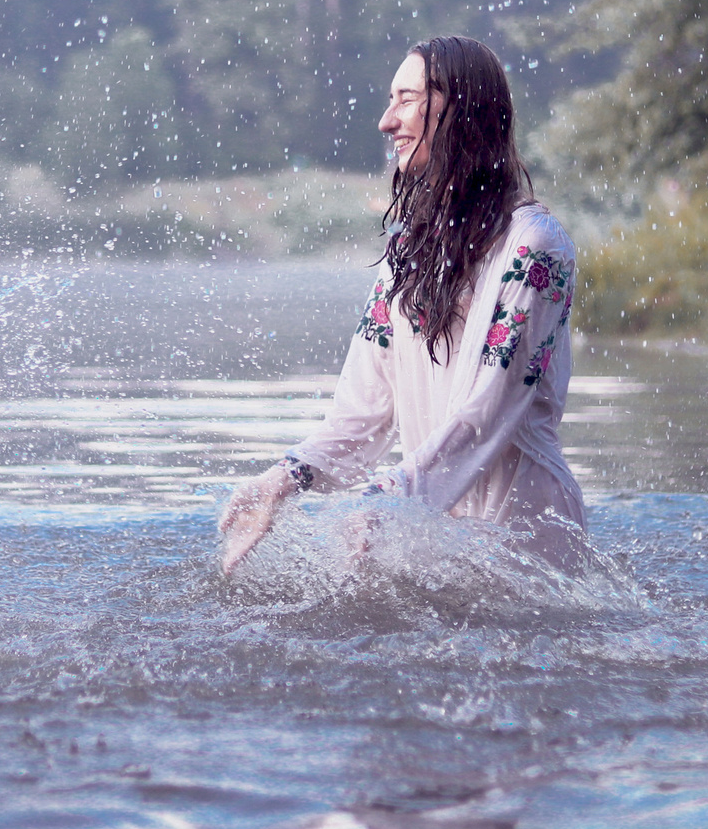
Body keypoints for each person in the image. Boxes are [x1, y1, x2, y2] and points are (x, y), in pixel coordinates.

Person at [219, 36, 587, 573]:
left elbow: (489, 411)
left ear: (462, 111)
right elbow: (361, 413)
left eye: (407, 99)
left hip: (528, 533)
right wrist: (281, 480)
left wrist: (387, 495)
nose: (386, 121)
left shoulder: (536, 246)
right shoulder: (408, 252)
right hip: (436, 526)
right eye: (390, 100)